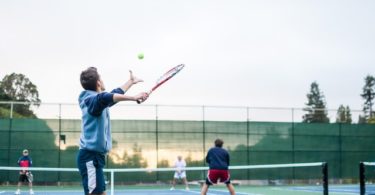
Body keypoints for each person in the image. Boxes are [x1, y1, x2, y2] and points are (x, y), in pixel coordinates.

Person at [77, 67, 148, 195]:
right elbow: (105, 97)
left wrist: (130, 82)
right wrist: (133, 97)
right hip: (90, 157)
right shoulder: (91, 101)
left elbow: (112, 95)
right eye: (101, 78)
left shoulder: (96, 101)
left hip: (96, 157)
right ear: (98, 82)